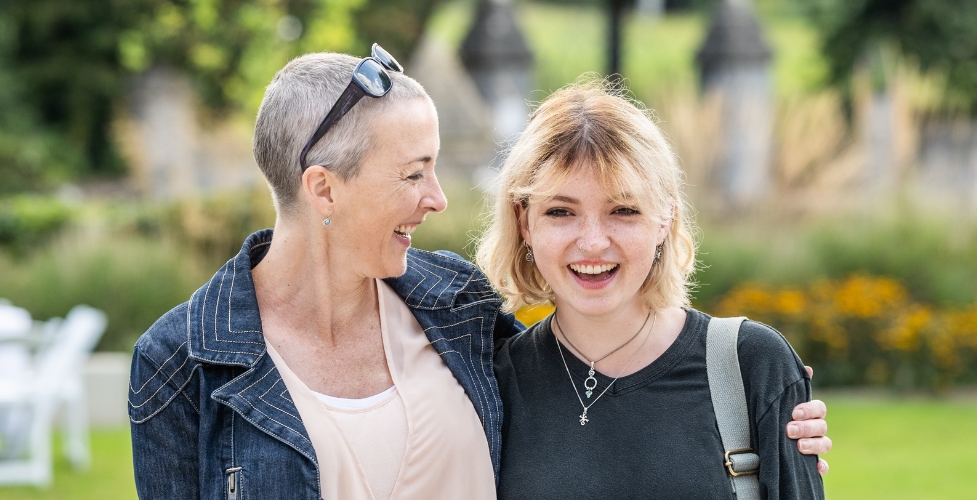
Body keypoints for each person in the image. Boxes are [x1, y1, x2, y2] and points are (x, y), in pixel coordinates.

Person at [128, 47, 830, 499]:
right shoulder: (179, 365)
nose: (437, 198)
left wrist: (774, 433)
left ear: (666, 217)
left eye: (622, 209)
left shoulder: (457, 311)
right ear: (323, 189)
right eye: (413, 173)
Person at [478, 78, 828, 498]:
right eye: (560, 211)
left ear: (664, 218)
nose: (592, 241)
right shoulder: (489, 384)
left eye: (623, 210)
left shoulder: (750, 366)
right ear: (524, 222)